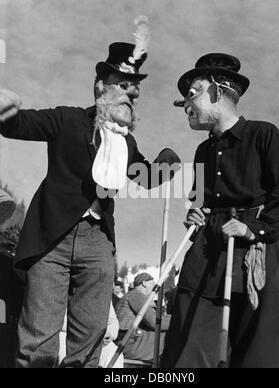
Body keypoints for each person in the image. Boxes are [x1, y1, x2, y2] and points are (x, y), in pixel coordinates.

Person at [0, 39, 180, 368]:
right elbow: (23, 124)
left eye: (135, 88)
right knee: (39, 339)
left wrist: (169, 159)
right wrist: (5, 113)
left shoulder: (128, 143)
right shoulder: (67, 120)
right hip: (51, 237)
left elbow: (147, 177)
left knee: (91, 339)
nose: (132, 93)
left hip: (98, 242)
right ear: (101, 87)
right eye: (123, 85)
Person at [161, 53, 279, 368]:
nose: (186, 104)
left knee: (258, 350)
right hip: (208, 250)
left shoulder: (264, 135)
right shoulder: (203, 151)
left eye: (192, 93)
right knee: (189, 340)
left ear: (218, 92)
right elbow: (199, 201)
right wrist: (196, 215)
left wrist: (253, 229)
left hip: (256, 249)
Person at [115, 272, 170, 364]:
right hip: (129, 344)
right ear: (144, 283)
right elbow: (154, 321)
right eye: (153, 284)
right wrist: (178, 320)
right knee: (171, 336)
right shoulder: (136, 295)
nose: (155, 287)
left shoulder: (130, 295)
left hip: (127, 342)